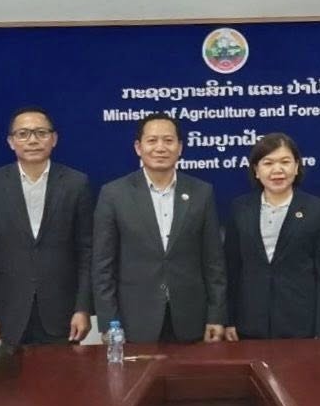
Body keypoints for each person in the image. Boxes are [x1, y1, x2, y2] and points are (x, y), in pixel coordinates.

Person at [0, 107, 93, 363]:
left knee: (62, 387)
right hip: (5, 318)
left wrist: (83, 308)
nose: (33, 140)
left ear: (54, 139)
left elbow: (86, 252)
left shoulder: (76, 183)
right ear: (11, 141)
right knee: (7, 388)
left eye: (41, 133)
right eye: (23, 134)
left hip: (61, 316)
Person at [93, 113, 226, 343]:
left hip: (190, 319)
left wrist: (216, 316)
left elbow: (213, 261)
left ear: (180, 147)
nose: (160, 148)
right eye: (152, 140)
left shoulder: (201, 192)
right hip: (134, 319)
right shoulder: (114, 194)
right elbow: (103, 266)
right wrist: (108, 322)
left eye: (168, 140)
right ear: (138, 147)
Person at [223, 133, 320, 340]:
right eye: (268, 163)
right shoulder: (240, 208)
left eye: (285, 162)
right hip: (249, 325)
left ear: (297, 167)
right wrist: (230, 320)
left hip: (301, 326)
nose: (277, 170)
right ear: (256, 170)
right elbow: (232, 268)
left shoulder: (318, 210)